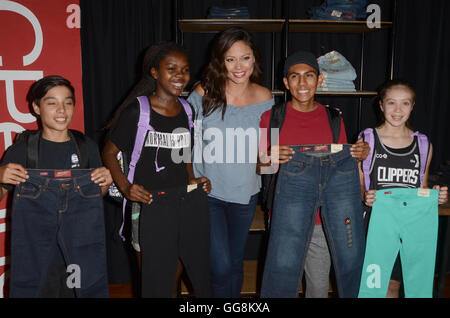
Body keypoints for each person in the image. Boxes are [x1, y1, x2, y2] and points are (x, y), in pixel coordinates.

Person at [102, 41, 211, 298]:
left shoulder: (186, 110)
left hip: (183, 203)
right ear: (154, 72)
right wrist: (126, 187)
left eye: (184, 70)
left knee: (175, 275)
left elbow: (184, 152)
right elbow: (109, 152)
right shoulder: (138, 111)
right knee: (152, 280)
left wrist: (194, 179)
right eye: (171, 68)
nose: (180, 76)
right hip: (148, 204)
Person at [259, 50, 369, 298]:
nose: (302, 83)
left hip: (324, 218)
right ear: (286, 83)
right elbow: (261, 167)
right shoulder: (272, 118)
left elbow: (343, 162)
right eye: (295, 77)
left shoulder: (333, 118)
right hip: (285, 212)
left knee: (318, 286)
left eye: (309, 76)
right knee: (284, 273)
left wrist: (359, 153)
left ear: (319, 80)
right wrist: (269, 157)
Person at [0, 75, 113, 297]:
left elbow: (96, 195)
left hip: (80, 250)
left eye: (67, 102)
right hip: (37, 254)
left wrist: (105, 183)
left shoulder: (86, 147)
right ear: (36, 107)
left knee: (86, 289)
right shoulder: (23, 151)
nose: (61, 110)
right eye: (52, 103)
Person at [187, 27, 274, 298]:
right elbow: (184, 143)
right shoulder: (202, 92)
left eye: (245, 58)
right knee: (221, 265)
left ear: (254, 59)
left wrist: (273, 159)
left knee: (235, 262)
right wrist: (189, 179)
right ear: (220, 61)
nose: (239, 67)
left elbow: (266, 155)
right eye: (230, 59)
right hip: (207, 193)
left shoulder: (265, 97)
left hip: (245, 194)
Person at [357, 79, 448, 298]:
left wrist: (436, 197)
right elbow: (358, 181)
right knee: (374, 283)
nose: (397, 110)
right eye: (391, 103)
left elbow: (422, 186)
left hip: (411, 224)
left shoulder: (423, 144)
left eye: (405, 103)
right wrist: (364, 196)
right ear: (381, 105)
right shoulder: (367, 139)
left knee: (396, 285)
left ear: (412, 106)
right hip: (375, 223)